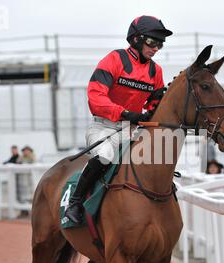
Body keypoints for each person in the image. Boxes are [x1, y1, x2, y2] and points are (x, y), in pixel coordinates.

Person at [64, 16, 173, 224]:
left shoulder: (155, 71)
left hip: (130, 130)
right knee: (105, 156)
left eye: (160, 43)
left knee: (154, 160)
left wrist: (152, 112)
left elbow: (154, 104)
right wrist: (125, 113)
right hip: (104, 126)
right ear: (136, 39)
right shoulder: (114, 59)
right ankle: (75, 203)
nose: (156, 48)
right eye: (152, 42)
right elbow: (96, 97)